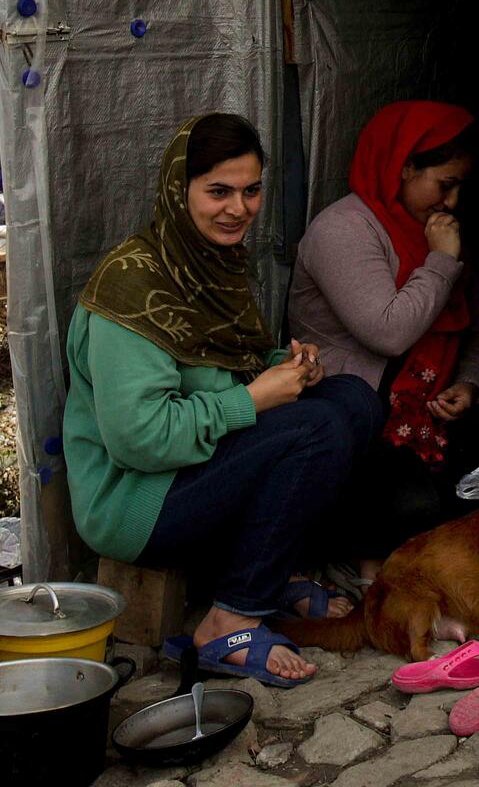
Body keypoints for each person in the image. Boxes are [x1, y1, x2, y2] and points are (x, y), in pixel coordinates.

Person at [63, 113, 383, 687]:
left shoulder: (209, 266)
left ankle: (270, 571)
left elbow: (215, 371)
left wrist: (280, 370)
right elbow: (140, 439)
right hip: (135, 500)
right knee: (316, 431)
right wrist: (256, 398)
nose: (237, 208)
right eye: (218, 192)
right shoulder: (132, 289)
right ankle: (228, 618)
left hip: (191, 471)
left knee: (353, 401)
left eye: (250, 191)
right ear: (178, 191)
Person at [288, 101, 479, 585]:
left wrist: (469, 382)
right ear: (404, 166)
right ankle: (354, 564)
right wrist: (441, 262)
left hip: (427, 414)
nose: (451, 201)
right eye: (444, 184)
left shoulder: (435, 230)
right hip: (359, 416)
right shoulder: (343, 230)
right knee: (416, 504)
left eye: (461, 187)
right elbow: (388, 331)